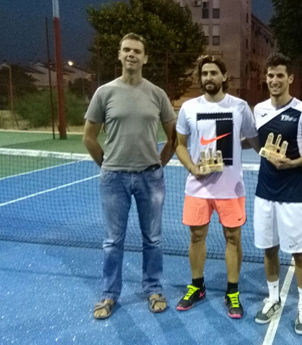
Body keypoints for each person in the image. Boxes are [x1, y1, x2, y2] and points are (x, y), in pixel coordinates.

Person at [83, 33, 176, 319]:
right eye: (126, 50)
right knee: (113, 241)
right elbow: (89, 137)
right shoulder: (104, 93)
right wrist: (108, 165)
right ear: (120, 55)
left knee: (154, 240)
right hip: (114, 179)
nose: (131, 54)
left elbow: (173, 138)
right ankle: (109, 295)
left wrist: (157, 164)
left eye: (137, 50)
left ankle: (154, 289)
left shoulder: (157, 94)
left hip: (150, 178)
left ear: (145, 58)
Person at [251, 53, 302, 335]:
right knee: (269, 248)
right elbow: (254, 141)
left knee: (298, 253)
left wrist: (294, 163)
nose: (274, 80)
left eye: (279, 75)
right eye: (270, 75)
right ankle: (273, 298)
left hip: (293, 194)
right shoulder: (258, 109)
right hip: (264, 193)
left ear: (290, 78)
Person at [175, 55, 258, 319]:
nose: (208, 77)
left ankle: (232, 291)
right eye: (204, 73)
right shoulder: (188, 108)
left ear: (224, 77)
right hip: (197, 188)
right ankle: (197, 286)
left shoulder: (240, 106)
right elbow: (179, 144)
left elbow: (255, 141)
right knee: (196, 237)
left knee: (233, 239)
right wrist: (193, 168)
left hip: (231, 188)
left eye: (213, 73)